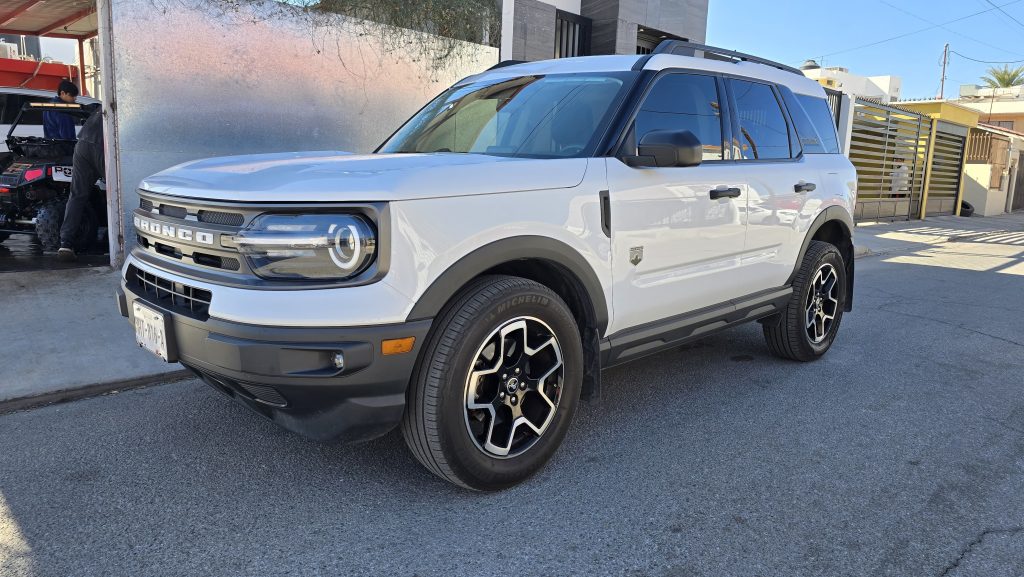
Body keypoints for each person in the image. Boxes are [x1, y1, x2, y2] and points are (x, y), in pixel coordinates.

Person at [57, 104, 104, 261]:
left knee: (77, 195)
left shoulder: (102, 104)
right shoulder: (127, 100)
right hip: (103, 145)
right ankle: (122, 238)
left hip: (82, 144)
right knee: (118, 192)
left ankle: (66, 243)